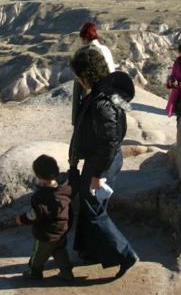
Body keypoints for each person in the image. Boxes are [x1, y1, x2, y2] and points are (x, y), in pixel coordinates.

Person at [69, 46, 139, 279]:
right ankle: (89, 250)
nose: (78, 80)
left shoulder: (101, 102)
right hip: (105, 158)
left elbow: (108, 141)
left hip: (102, 161)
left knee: (92, 207)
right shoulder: (108, 93)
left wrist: (98, 173)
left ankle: (125, 254)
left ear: (86, 76)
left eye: (79, 76)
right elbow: (119, 123)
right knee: (94, 205)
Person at [15, 154, 75, 281]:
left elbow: (34, 215)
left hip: (47, 234)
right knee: (60, 251)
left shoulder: (41, 197)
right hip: (62, 229)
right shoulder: (65, 189)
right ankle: (67, 272)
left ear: (38, 176)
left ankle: (34, 272)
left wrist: (21, 219)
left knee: (38, 255)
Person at [72, 22, 116, 128]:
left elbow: (78, 88)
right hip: (110, 97)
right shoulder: (106, 49)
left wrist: (75, 119)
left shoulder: (83, 53)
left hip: (91, 101)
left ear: (84, 38)